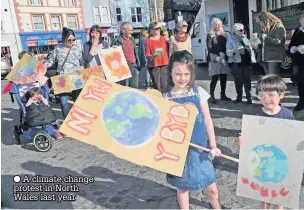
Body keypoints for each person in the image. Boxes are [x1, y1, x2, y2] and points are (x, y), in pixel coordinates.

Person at [162, 50, 222, 209]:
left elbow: (208, 120)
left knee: (212, 189)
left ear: (191, 73)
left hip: (201, 149)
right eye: (178, 74)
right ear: (171, 73)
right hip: (179, 153)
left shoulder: (198, 92)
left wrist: (214, 145)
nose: (182, 78)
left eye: (186, 74)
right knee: (183, 189)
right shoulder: (166, 97)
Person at [239, 74, 294, 210]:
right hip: (262, 163)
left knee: (278, 196)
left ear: (281, 95)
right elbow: (250, 140)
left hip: (281, 162)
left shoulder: (287, 115)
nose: (266, 99)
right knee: (263, 195)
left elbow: (293, 137)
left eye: (270, 95)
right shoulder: (256, 117)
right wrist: (243, 142)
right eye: (261, 95)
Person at [44, 27, 84, 119]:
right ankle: (67, 122)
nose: (71, 41)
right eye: (69, 39)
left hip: (76, 78)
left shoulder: (77, 49)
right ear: (64, 38)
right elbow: (49, 62)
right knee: (64, 102)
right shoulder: (58, 49)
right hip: (62, 80)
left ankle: (78, 120)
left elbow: (82, 62)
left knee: (77, 102)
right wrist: (38, 68)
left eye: (73, 39)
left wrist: (81, 67)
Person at [226, 23, 256, 104]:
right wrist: (234, 51)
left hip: (247, 62)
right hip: (237, 63)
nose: (243, 31)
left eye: (243, 30)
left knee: (247, 80)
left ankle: (249, 97)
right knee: (238, 81)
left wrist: (253, 46)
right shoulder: (230, 40)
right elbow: (228, 53)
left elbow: (250, 49)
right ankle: (239, 97)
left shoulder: (245, 38)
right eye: (240, 30)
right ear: (235, 31)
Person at [207, 18, 231, 103]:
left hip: (223, 58)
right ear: (213, 25)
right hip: (215, 58)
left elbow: (227, 45)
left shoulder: (224, 34)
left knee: (223, 77)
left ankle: (223, 94)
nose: (219, 26)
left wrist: (224, 53)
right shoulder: (210, 35)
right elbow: (209, 47)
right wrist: (218, 53)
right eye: (217, 24)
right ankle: (211, 95)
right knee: (215, 77)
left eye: (220, 24)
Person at [111, 22, 140, 89]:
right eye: (130, 30)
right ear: (123, 30)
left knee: (134, 88)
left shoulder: (132, 39)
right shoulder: (116, 41)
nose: (132, 32)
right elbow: (111, 56)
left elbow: (135, 52)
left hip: (134, 66)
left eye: (132, 30)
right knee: (124, 88)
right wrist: (113, 49)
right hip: (123, 67)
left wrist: (138, 65)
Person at [145, 22, 169, 91]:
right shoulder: (148, 40)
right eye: (156, 28)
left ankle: (164, 100)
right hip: (154, 64)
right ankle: (158, 99)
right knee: (157, 85)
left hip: (164, 63)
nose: (158, 29)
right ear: (151, 30)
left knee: (164, 84)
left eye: (159, 28)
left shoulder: (163, 38)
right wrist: (153, 56)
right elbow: (147, 54)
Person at [288, 14, 304, 111]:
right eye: (301, 19)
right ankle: (301, 103)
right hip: (300, 62)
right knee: (301, 83)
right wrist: (294, 48)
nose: (302, 20)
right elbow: (291, 44)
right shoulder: (298, 30)